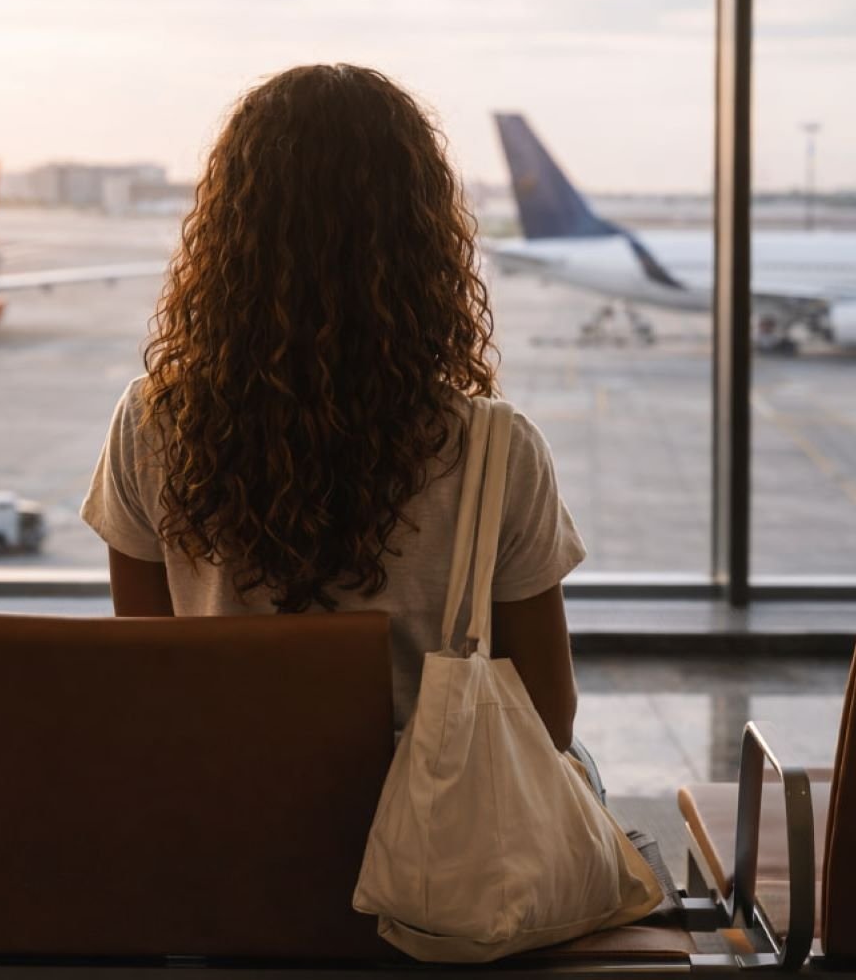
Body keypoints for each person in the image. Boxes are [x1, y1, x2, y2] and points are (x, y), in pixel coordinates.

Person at [81, 63, 585, 748]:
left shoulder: (150, 420)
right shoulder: (498, 450)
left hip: (226, 817)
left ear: (228, 235)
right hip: (430, 839)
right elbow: (548, 719)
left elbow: (147, 676)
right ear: (426, 242)